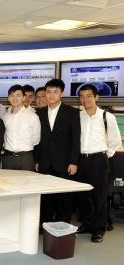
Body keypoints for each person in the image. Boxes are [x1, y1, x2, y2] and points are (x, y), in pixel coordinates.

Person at [76, 84, 121, 243]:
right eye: (82, 96)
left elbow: (115, 141)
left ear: (96, 97)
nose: (85, 99)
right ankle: (87, 224)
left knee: (99, 196)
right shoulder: (78, 115)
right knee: (83, 195)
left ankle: (98, 229)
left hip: (98, 160)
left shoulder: (107, 117)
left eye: (89, 96)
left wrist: (103, 156)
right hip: (80, 160)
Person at [36, 79, 80, 225]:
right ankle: (46, 225)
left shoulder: (72, 112)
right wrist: (37, 160)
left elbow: (76, 139)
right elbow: (37, 139)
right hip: (45, 162)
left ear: (62, 93)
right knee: (46, 197)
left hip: (65, 162)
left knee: (65, 198)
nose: (51, 95)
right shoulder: (39, 113)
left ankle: (63, 226)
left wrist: (74, 161)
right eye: (48, 92)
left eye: (55, 92)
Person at [1, 85, 40, 171]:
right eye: (12, 95)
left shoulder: (32, 116)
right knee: (7, 183)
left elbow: (36, 139)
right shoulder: (5, 117)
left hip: (26, 158)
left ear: (23, 98)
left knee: (26, 183)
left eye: (18, 95)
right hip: (8, 158)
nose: (15, 98)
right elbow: (4, 137)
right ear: (8, 98)